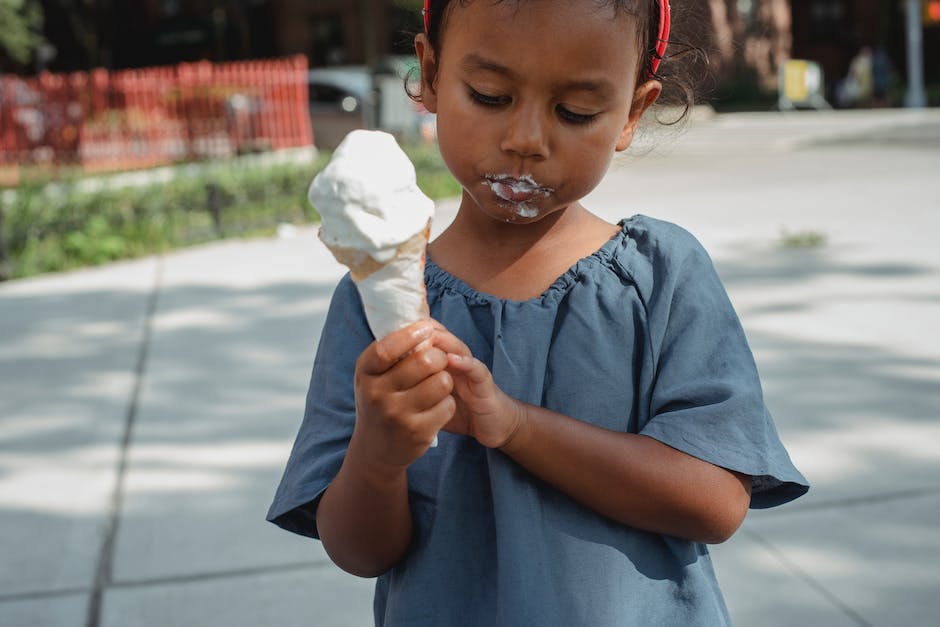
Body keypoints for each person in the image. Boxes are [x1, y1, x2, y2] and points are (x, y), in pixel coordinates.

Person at [268, 1, 809, 625]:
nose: (526, 139)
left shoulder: (659, 277)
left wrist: (515, 426)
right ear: (432, 74)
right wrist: (380, 454)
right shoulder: (371, 308)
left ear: (632, 112)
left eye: (576, 111)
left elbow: (715, 504)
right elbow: (360, 551)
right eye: (490, 95)